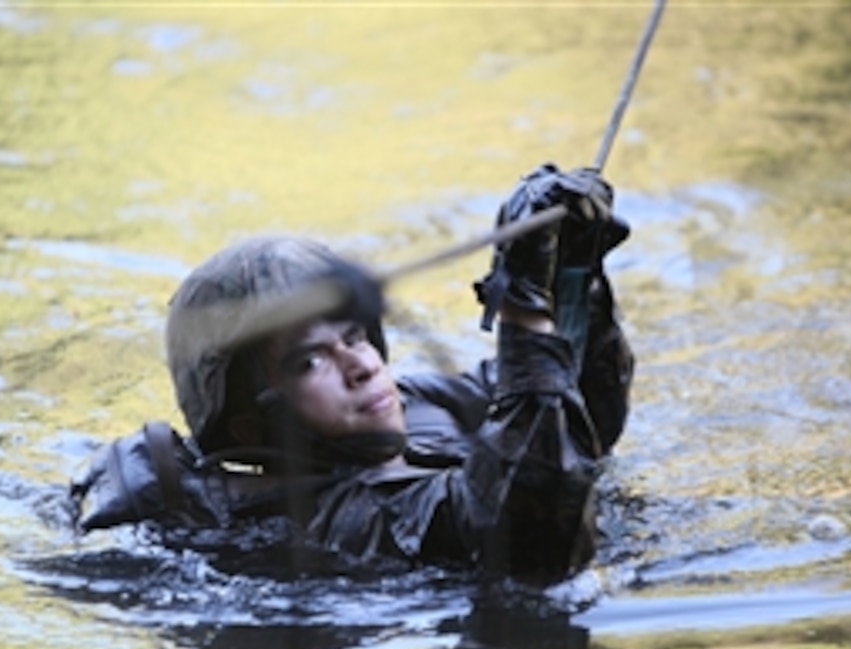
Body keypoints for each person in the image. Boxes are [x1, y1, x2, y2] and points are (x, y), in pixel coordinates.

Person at [69, 163, 634, 586]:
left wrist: (576, 278)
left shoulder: (418, 401)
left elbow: (580, 413)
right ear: (250, 428)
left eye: (356, 336)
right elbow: (533, 539)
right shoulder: (336, 521)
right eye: (310, 361)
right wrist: (522, 305)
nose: (361, 366)